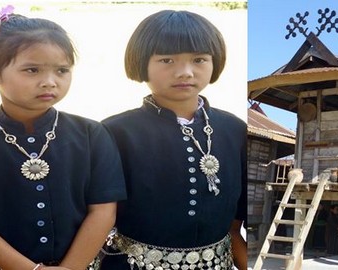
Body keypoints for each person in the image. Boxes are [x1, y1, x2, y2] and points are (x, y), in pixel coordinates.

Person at [0, 6, 127, 270]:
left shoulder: (92, 135)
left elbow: (103, 210)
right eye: (32, 70)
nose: (49, 82)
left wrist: (71, 267)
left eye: (61, 70)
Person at [100, 10, 247, 270]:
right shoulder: (114, 132)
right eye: (167, 60)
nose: (185, 72)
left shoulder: (234, 130)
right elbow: (97, 216)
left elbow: (236, 224)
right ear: (142, 62)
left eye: (199, 59)